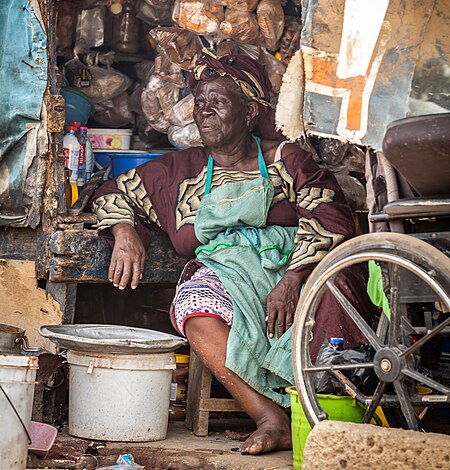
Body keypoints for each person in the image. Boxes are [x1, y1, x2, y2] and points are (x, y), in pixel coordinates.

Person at [92, 54, 373, 455]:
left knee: (335, 291)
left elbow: (330, 214)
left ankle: (323, 416)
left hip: (291, 270)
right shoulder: (179, 170)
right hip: (227, 275)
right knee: (194, 307)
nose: (204, 112)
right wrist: (124, 230)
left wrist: (293, 279)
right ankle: (271, 417)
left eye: (218, 102)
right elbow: (112, 192)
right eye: (199, 102)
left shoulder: (286, 160)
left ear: (249, 112)